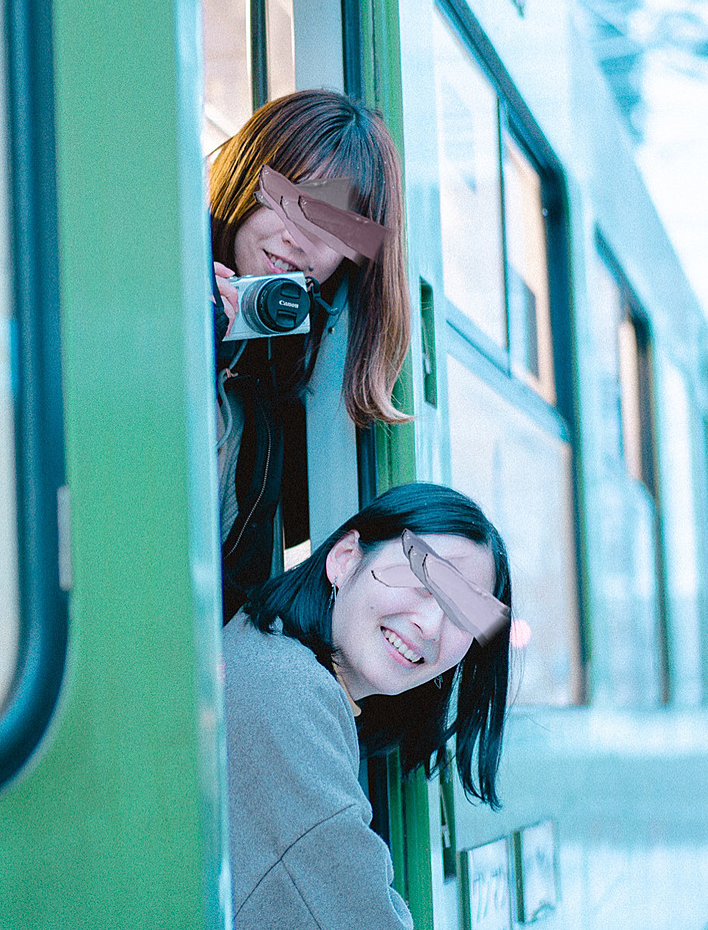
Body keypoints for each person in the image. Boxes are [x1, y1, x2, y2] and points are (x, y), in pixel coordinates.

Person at [224, 482, 512, 930]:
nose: (432, 626)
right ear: (345, 559)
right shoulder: (284, 690)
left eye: (463, 615)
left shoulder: (272, 654)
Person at [210, 89, 411, 620]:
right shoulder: (144, 298)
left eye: (333, 226)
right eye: (289, 201)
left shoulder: (282, 381)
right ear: (246, 181)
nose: (298, 238)